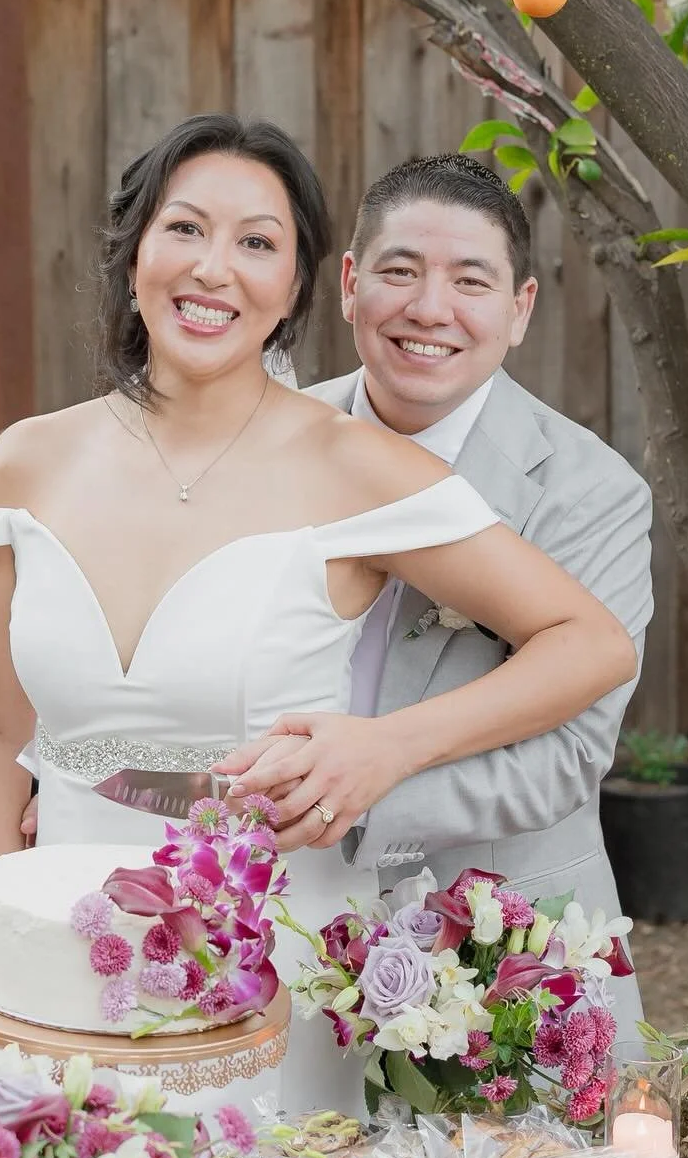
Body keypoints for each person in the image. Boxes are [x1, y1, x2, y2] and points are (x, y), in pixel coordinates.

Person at [0, 114, 638, 1115]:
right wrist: (5, 959)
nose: (214, 269)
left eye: (258, 243)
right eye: (184, 228)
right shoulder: (26, 461)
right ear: (134, 249)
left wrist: (388, 747)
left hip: (269, 959)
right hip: (62, 955)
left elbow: (591, 643)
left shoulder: (353, 465)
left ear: (299, 290)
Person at [216, 154, 652, 1035]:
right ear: (347, 284)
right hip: (267, 923)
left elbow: (569, 754)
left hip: (498, 959)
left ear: (520, 308)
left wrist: (355, 793)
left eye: (471, 281)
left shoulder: (590, 492)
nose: (429, 310)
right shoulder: (258, 441)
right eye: (400, 272)